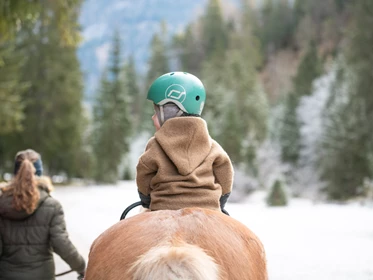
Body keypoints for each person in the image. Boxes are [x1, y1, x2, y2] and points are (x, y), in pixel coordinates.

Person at [136, 71, 233, 215]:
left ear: (170, 111)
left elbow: (143, 174)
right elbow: (225, 175)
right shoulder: (212, 146)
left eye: (157, 112)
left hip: (163, 207)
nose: (153, 117)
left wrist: (146, 200)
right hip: (208, 209)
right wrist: (221, 200)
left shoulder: (155, 145)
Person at [0, 149, 86, 280]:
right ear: (40, 173)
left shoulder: (1, 204)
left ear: (15, 173)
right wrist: (82, 267)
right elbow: (62, 243)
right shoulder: (52, 206)